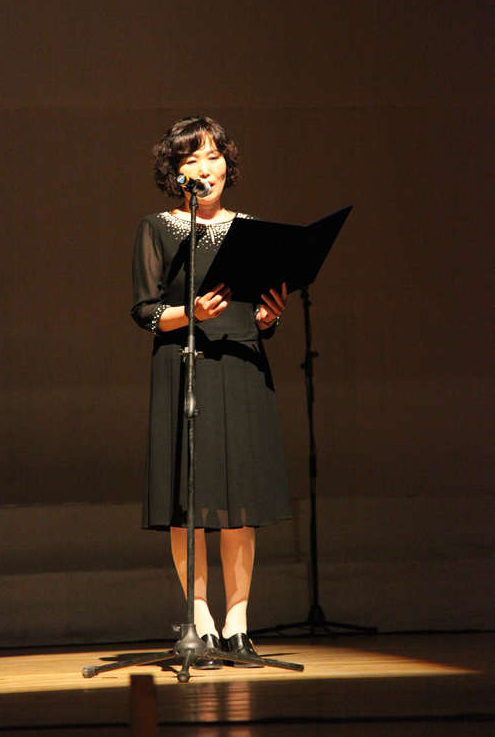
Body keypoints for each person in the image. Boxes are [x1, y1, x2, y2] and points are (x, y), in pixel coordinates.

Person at [131, 116, 291, 668]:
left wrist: (269, 316)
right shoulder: (158, 228)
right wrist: (190, 313)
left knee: (239, 500)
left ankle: (237, 623)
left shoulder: (250, 229)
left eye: (213, 155)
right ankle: (199, 621)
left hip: (242, 366)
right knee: (189, 503)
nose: (206, 167)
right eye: (192, 159)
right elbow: (145, 311)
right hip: (184, 366)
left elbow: (259, 308)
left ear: (228, 162)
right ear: (175, 172)